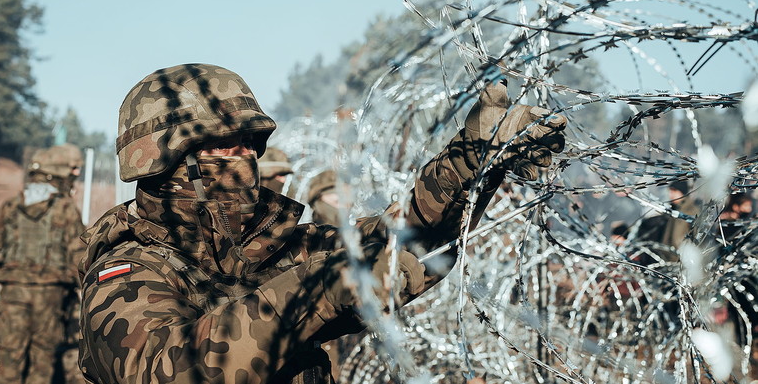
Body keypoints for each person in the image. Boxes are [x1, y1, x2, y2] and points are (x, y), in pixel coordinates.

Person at [77, 63, 567, 384]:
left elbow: (405, 246)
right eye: (227, 146)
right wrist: (317, 287)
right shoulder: (126, 274)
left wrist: (474, 162)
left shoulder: (274, 248)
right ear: (167, 162)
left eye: (252, 143)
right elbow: (173, 372)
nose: (247, 157)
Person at [0, 144, 87, 384]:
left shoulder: (10, 206)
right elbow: (78, 253)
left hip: (13, 292)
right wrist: (82, 288)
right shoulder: (66, 209)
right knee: (43, 359)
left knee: (9, 359)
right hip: (52, 295)